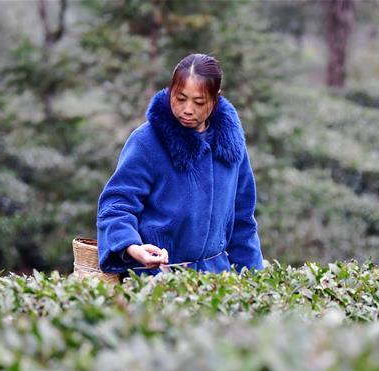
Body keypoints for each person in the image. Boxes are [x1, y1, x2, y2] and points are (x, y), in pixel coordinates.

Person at [96, 53, 264, 278]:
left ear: (215, 99)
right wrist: (133, 247)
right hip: (156, 279)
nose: (187, 109)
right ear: (170, 91)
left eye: (199, 102)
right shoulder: (147, 141)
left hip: (216, 282)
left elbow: (243, 221)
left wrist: (256, 280)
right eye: (180, 98)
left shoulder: (231, 146)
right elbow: (116, 206)